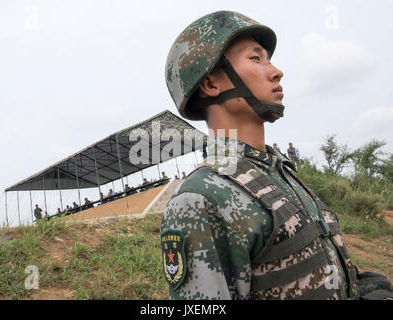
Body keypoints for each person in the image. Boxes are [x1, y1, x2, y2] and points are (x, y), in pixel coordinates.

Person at [161, 10, 393, 300]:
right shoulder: (202, 198)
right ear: (211, 84)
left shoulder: (279, 173)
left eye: (268, 59)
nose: (276, 71)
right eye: (256, 59)